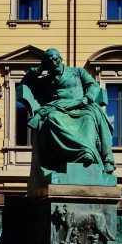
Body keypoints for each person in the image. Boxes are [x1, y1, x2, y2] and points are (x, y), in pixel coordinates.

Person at [17, 48, 116, 176]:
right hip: (59, 109)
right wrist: (39, 69)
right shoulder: (46, 80)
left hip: (81, 106)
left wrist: (87, 98)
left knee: (88, 119)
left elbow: (93, 86)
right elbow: (23, 85)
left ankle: (88, 153)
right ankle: (82, 152)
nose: (54, 62)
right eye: (49, 61)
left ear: (61, 59)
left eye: (55, 59)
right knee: (52, 117)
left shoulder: (78, 72)